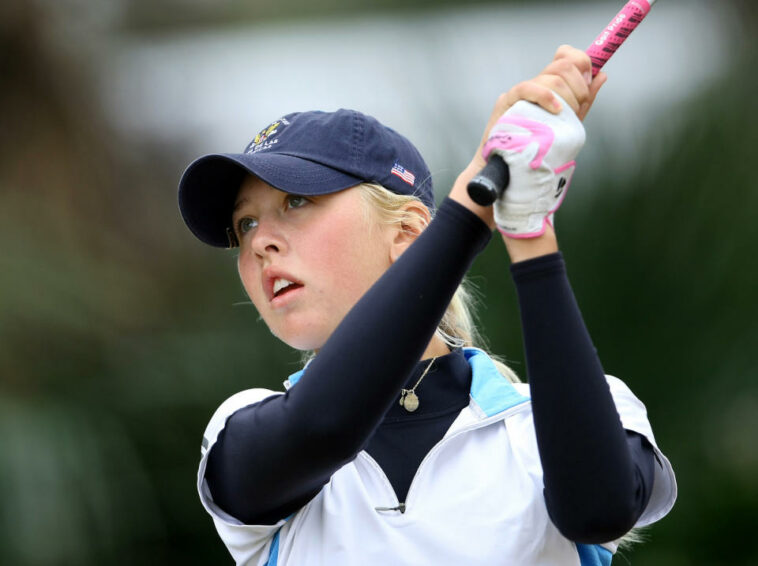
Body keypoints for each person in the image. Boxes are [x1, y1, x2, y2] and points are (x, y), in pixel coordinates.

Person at [178, 45, 676, 565]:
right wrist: (471, 208)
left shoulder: (573, 412)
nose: (260, 243)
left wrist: (527, 225)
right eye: (246, 224)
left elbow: (597, 510)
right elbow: (322, 426)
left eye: (296, 201)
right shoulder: (239, 433)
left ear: (410, 232)